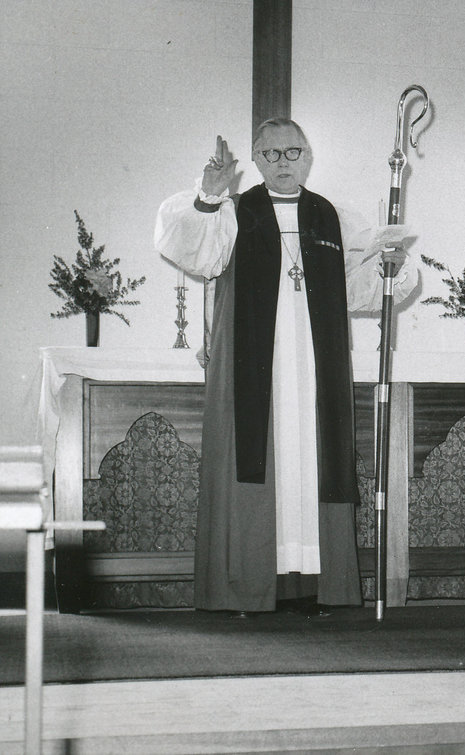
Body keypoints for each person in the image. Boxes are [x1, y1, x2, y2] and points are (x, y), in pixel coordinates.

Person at [154, 118, 415, 616]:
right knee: (262, 458)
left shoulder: (333, 216)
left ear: (308, 156)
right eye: (271, 154)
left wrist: (391, 264)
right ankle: (252, 585)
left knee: (314, 457)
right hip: (256, 363)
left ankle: (315, 585)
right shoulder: (234, 211)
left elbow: (364, 290)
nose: (283, 163)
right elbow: (193, 251)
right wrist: (208, 196)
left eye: (293, 152)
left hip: (317, 363)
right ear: (256, 159)